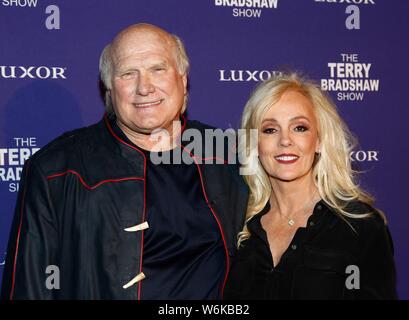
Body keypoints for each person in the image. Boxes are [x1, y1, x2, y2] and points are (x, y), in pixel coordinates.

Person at [0, 23, 248, 300]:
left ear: (183, 78)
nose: (145, 88)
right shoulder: (56, 169)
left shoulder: (228, 153)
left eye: (158, 69)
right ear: (108, 88)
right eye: (128, 73)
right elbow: (29, 286)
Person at [224, 73, 397, 300]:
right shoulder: (238, 227)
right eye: (270, 130)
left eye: (299, 128)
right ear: (255, 144)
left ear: (318, 140)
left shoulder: (360, 226)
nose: (285, 140)